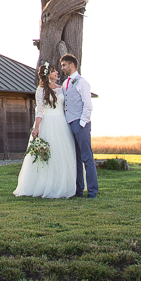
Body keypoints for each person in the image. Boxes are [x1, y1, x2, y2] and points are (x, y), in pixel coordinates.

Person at [13, 61, 77, 198]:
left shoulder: (61, 88)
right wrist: (36, 128)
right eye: (54, 71)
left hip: (62, 123)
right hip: (48, 123)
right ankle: (43, 185)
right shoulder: (41, 90)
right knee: (48, 155)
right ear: (48, 75)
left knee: (62, 154)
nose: (57, 73)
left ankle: (63, 184)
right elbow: (39, 111)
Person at [61, 54, 98, 198]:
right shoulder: (65, 83)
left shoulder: (82, 82)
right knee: (76, 158)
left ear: (72, 65)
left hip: (80, 124)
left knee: (87, 157)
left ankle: (93, 191)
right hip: (69, 123)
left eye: (64, 65)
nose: (62, 68)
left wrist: (82, 123)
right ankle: (78, 190)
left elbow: (88, 105)